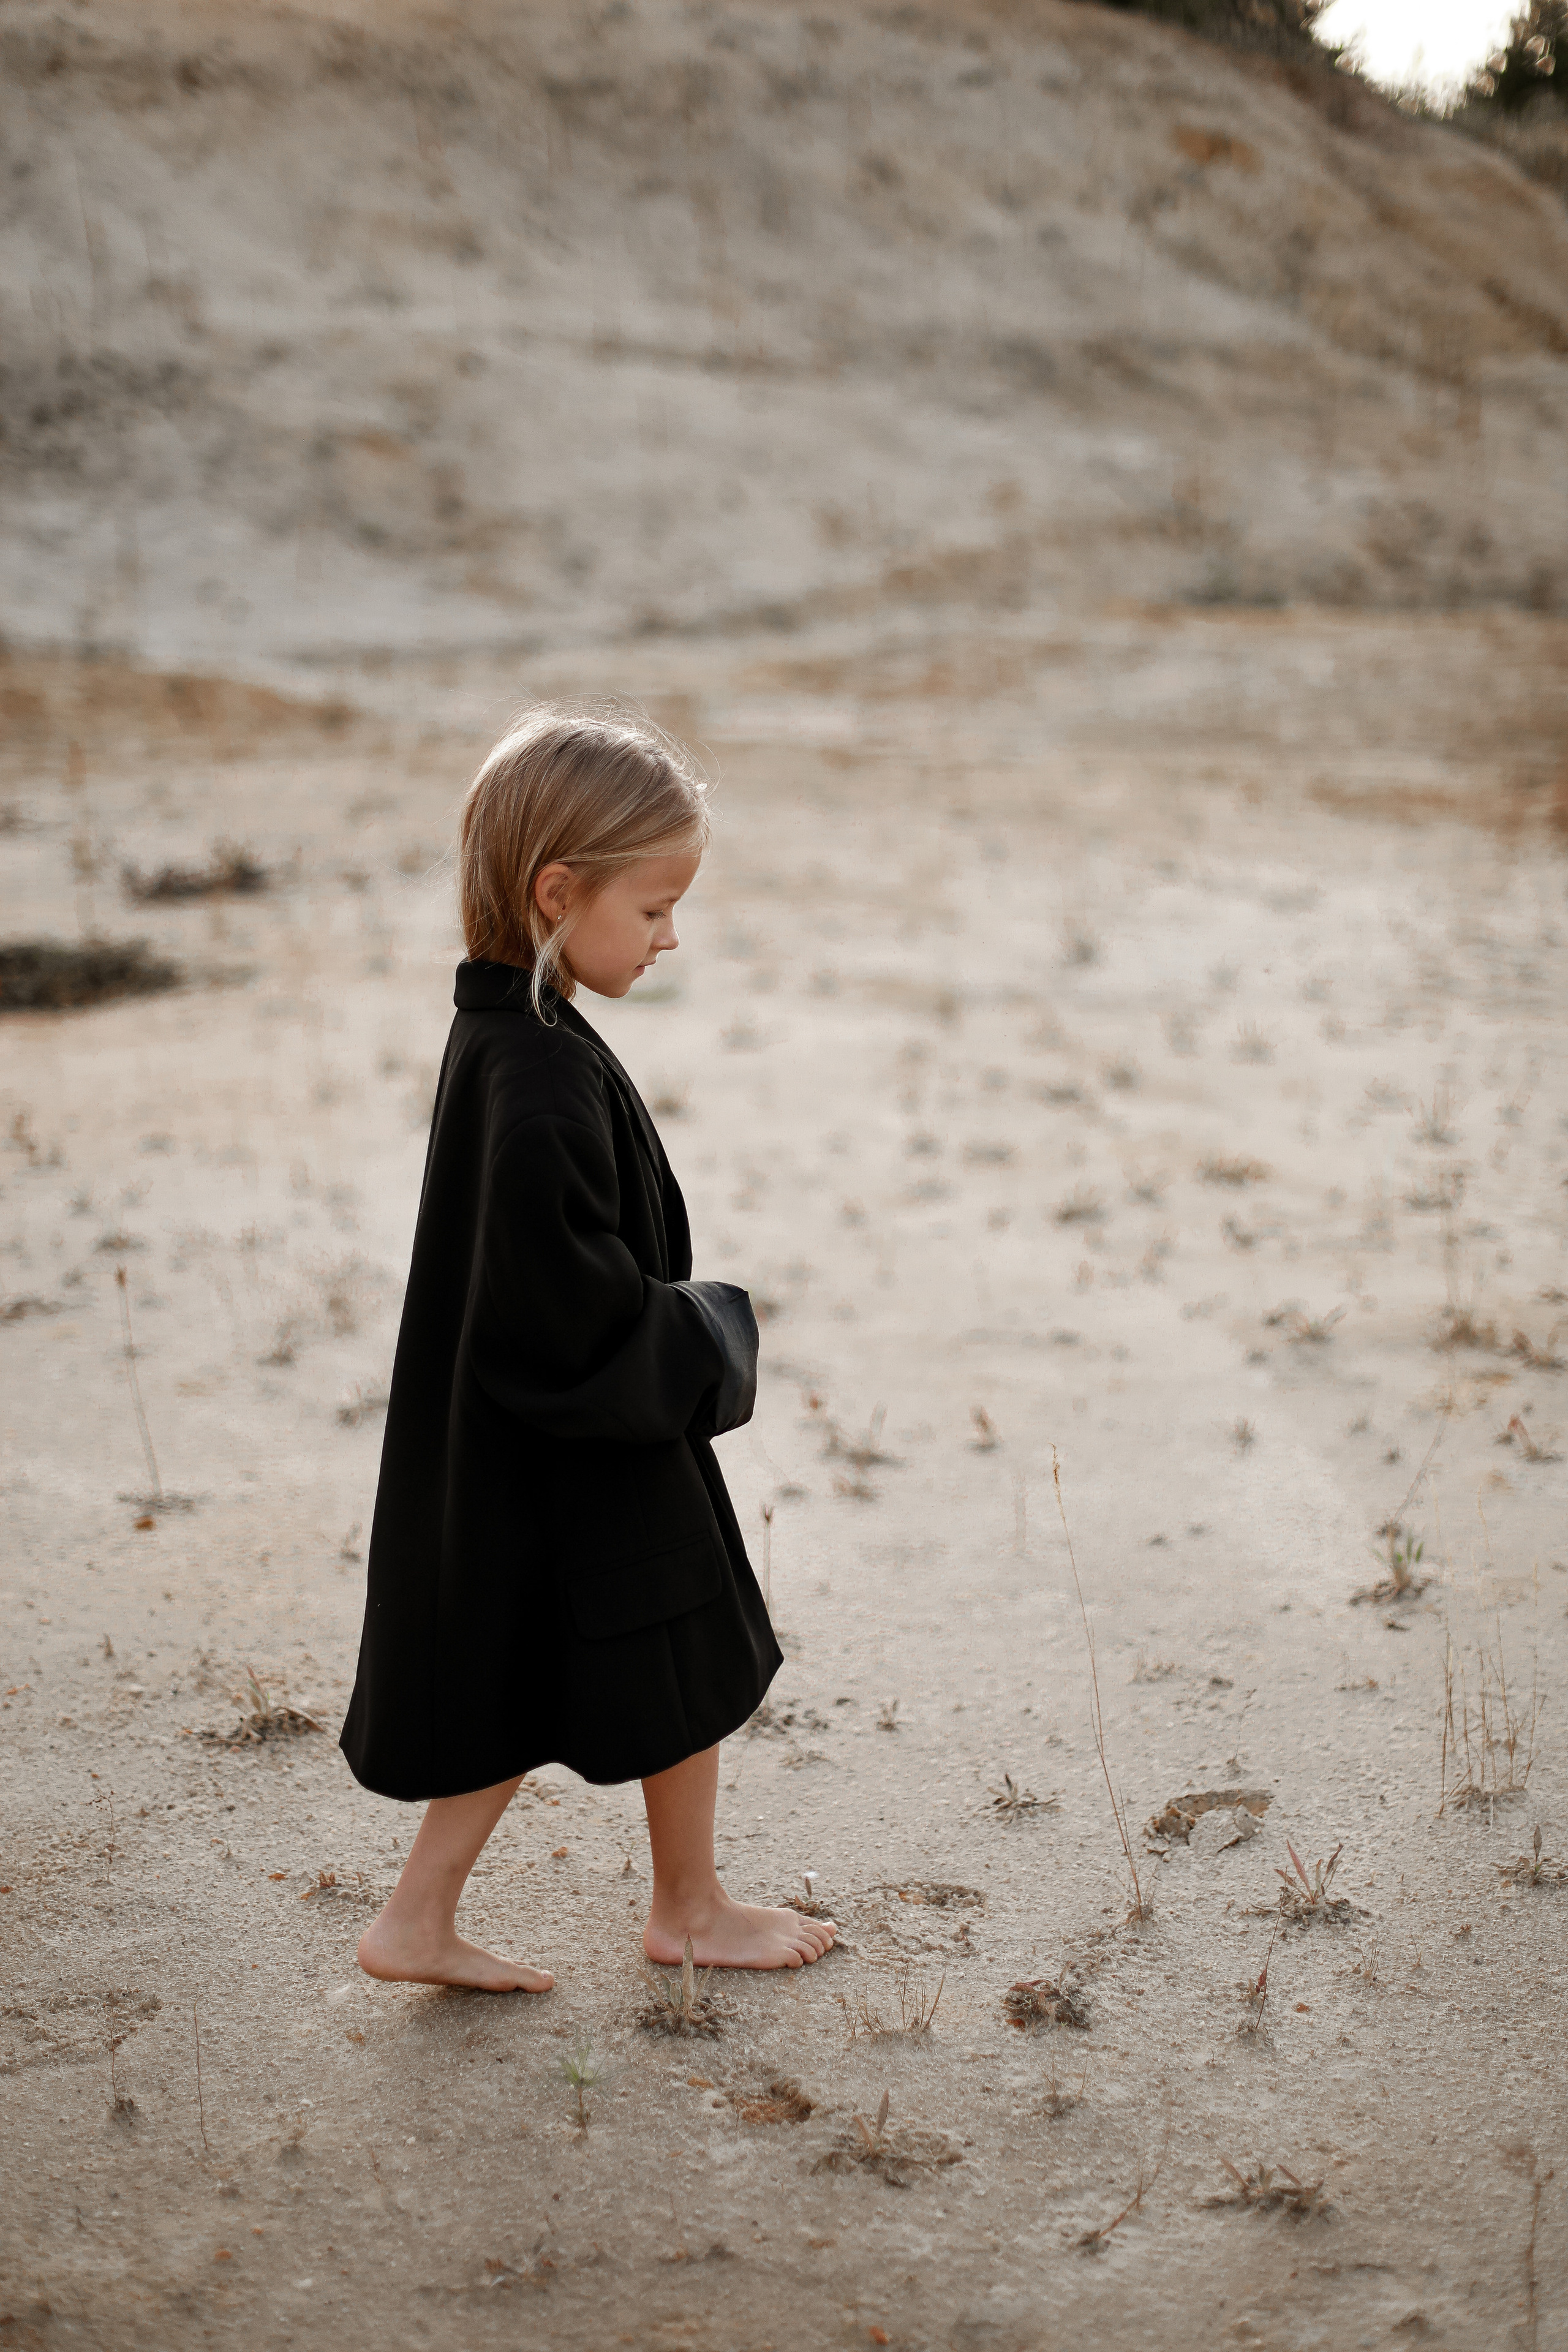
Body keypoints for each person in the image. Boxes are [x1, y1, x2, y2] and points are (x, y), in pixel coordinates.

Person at [340, 706, 835, 1992]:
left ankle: (433, 1920)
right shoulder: (539, 1079)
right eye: (655, 909)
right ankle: (687, 1907)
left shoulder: (506, 1033)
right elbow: (564, 1310)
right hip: (582, 1435)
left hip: (533, 1437)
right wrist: (709, 1327)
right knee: (674, 1644)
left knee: (550, 1659)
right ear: (557, 892)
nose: (672, 939)